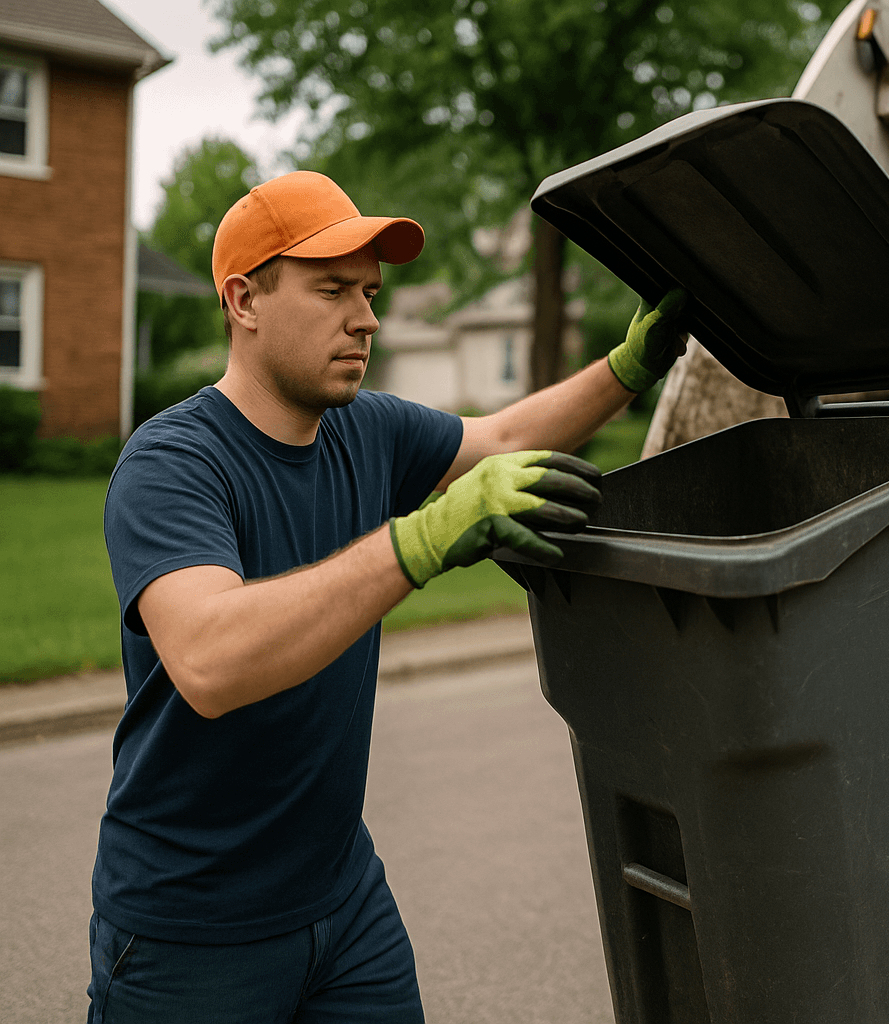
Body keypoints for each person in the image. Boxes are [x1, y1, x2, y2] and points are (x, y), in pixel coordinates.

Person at [87, 170, 685, 1022]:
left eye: (369, 292)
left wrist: (631, 367)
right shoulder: (172, 463)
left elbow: (504, 436)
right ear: (243, 300)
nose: (366, 318)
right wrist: (420, 541)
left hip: (344, 902)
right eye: (332, 290)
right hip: (191, 929)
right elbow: (211, 659)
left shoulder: (367, 429)